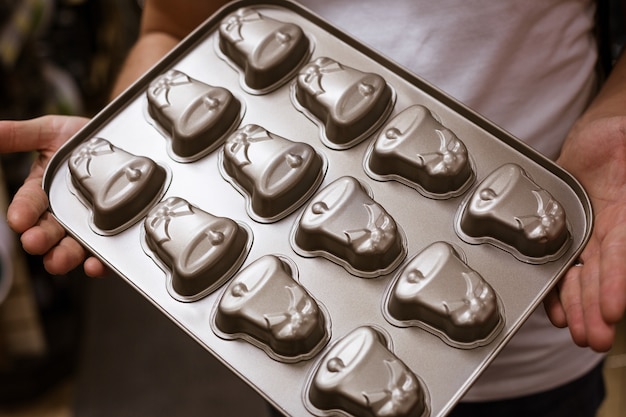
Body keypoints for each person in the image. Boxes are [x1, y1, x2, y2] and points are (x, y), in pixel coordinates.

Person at [1, 1, 625, 416]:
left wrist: (617, 119)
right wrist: (119, 146)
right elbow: (170, 24)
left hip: (551, 326)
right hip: (316, 376)